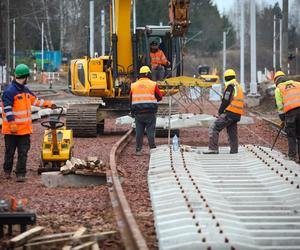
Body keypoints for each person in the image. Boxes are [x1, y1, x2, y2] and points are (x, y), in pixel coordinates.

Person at [2, 64, 56, 182]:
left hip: (24, 130)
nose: (28, 79)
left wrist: (48, 104)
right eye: (28, 77)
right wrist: (12, 123)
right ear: (25, 77)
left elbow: (35, 101)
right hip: (12, 130)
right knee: (10, 152)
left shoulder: (25, 91)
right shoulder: (9, 91)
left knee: (23, 152)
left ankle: (20, 174)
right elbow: (7, 108)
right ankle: (7, 171)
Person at [204, 69, 245, 154]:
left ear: (226, 77)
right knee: (232, 133)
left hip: (230, 113)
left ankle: (213, 149)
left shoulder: (230, 86)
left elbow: (225, 101)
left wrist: (220, 112)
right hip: (237, 114)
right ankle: (234, 151)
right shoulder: (238, 85)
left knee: (214, 127)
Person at [130, 66, 163, 156]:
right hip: (150, 112)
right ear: (148, 74)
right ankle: (152, 149)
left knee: (139, 132)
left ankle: (138, 150)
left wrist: (132, 112)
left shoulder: (133, 85)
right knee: (150, 131)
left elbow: (131, 100)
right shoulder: (153, 84)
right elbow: (160, 97)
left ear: (140, 74)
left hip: (138, 113)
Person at [274, 71, 300, 162]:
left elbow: (280, 105)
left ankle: (292, 156)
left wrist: (282, 118)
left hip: (290, 113)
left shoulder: (278, 89)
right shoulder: (297, 84)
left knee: (291, 134)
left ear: (276, 81)